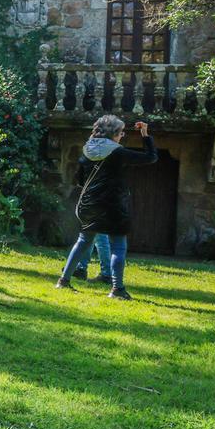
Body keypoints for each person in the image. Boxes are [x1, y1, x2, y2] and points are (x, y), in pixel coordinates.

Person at [56, 116, 157, 300]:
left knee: (82, 242)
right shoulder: (118, 153)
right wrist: (144, 134)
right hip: (113, 206)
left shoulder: (87, 150)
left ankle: (63, 281)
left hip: (89, 205)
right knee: (118, 246)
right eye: (121, 133)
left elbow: (79, 180)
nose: (122, 136)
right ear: (114, 135)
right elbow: (151, 158)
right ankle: (117, 290)